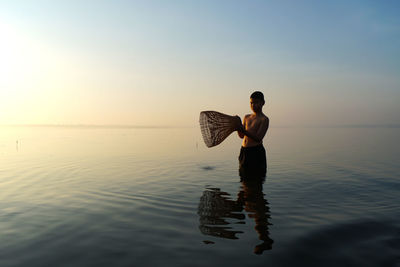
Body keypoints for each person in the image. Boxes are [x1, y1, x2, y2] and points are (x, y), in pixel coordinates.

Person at [237, 91, 269, 178]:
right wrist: (237, 127)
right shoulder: (246, 117)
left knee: (256, 179)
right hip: (244, 151)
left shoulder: (264, 119)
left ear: (263, 103)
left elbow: (259, 138)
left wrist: (243, 130)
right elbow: (241, 136)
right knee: (243, 177)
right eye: (251, 103)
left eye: (256, 103)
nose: (253, 105)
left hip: (256, 152)